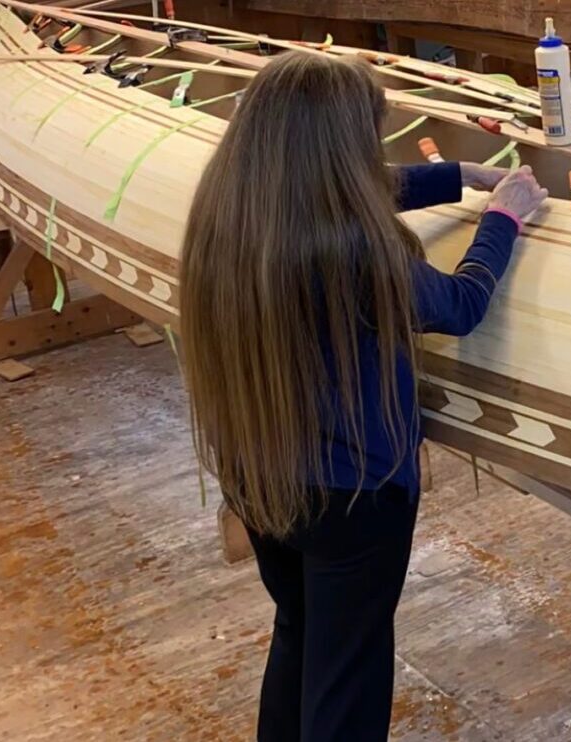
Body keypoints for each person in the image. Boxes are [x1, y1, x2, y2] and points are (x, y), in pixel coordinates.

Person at [179, 52, 547, 742]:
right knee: (349, 679)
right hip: (355, 501)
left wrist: (457, 177)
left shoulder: (227, 210)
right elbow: (462, 304)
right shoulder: (357, 249)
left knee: (301, 634)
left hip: (258, 478)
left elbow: (339, 187)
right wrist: (504, 218)